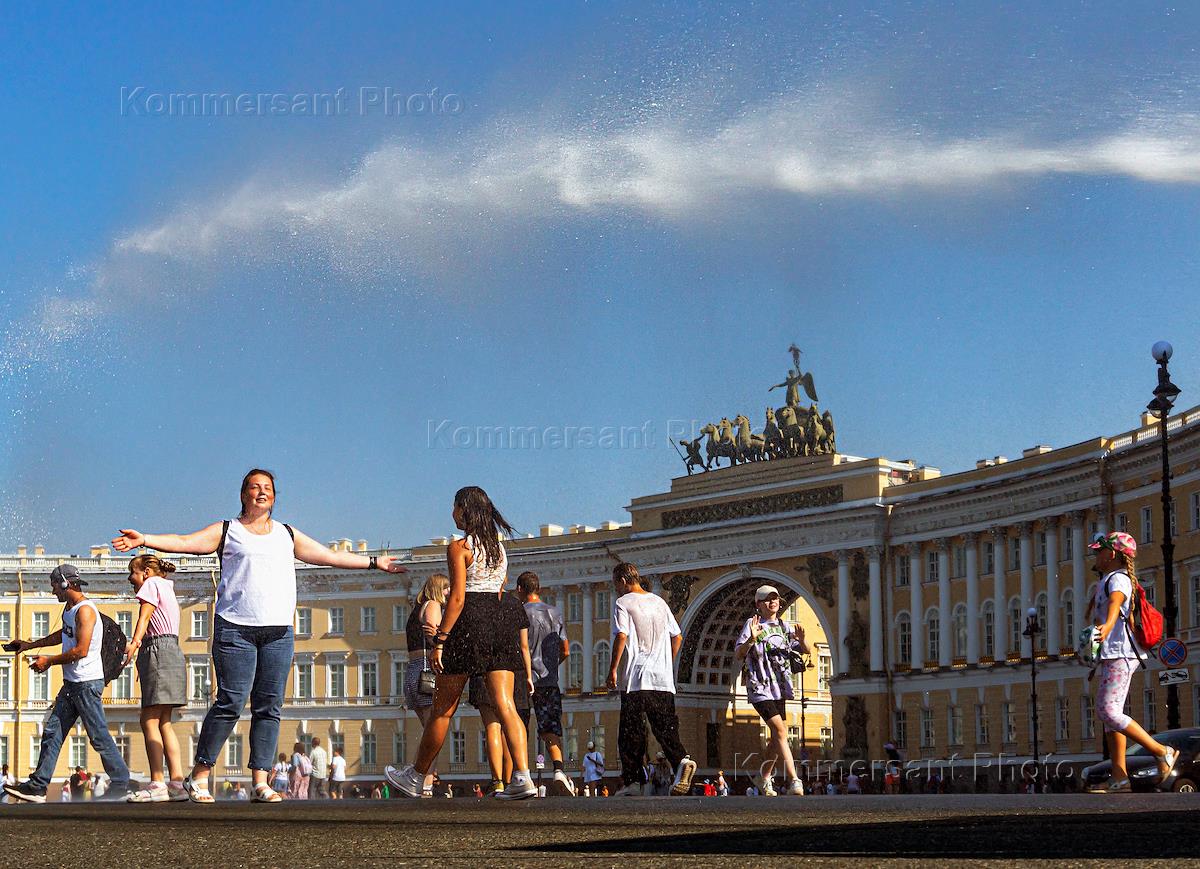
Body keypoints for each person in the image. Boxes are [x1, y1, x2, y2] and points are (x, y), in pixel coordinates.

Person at [111, 468, 405, 803]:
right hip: (235, 628)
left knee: (269, 706)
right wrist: (145, 539)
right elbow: (185, 542)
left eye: (267, 488)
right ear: (243, 495)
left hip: (278, 631)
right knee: (230, 702)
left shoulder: (287, 534)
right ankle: (201, 774)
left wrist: (374, 562)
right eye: (254, 487)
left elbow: (331, 556)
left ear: (274, 497)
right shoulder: (228, 531)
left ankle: (261, 781)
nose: (261, 492)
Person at [387, 487, 536, 800]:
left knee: (442, 709)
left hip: (470, 622)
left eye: (454, 507)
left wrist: (441, 640)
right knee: (505, 704)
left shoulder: (459, 547)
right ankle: (522, 776)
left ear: (464, 510)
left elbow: (456, 598)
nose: (452, 513)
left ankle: (415, 776)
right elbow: (500, 588)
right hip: (501, 620)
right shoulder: (499, 549)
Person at [4, 565, 130, 803]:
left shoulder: (85, 611)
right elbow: (63, 635)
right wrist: (29, 645)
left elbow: (81, 650)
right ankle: (39, 786)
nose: (53, 591)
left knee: (97, 735)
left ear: (65, 583)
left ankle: (121, 782)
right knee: (53, 732)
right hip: (73, 684)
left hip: (86, 683)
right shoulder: (70, 609)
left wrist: (50, 661)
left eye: (54, 585)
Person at [1086, 531, 1178, 793]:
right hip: (1111, 653)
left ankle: (1162, 751)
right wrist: (1093, 647)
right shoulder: (1106, 579)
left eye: (1098, 551)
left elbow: (1117, 603)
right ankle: (1120, 778)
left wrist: (1106, 626)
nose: (1095, 555)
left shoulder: (1119, 579)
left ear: (1111, 554)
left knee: (1108, 712)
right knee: (1109, 717)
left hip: (1122, 653)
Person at [606, 562, 696, 798]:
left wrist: (613, 669)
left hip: (636, 679)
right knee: (666, 728)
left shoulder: (623, 603)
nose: (616, 589)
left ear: (624, 581)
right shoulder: (659, 602)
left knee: (630, 732)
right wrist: (665, 662)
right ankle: (681, 761)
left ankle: (633, 782)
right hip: (662, 679)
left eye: (616, 584)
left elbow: (622, 636)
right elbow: (677, 637)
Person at [123, 554, 189, 803]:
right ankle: (177, 783)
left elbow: (144, 616)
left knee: (148, 720)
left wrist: (135, 643)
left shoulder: (151, 585)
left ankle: (157, 783)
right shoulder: (167, 587)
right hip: (171, 649)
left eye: (133, 572)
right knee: (164, 722)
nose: (131, 578)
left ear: (147, 572)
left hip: (157, 649)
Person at [733, 585, 809, 797]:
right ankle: (795, 780)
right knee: (782, 731)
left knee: (777, 736)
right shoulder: (752, 624)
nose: (772, 602)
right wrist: (751, 639)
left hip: (779, 687)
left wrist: (802, 641)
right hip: (759, 687)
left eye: (775, 598)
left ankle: (763, 777)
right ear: (758, 604)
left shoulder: (785, 626)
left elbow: (806, 650)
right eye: (767, 599)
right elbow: (739, 653)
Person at [516, 571, 577, 796]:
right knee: (550, 728)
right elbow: (567, 650)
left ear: (521, 589)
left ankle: (521, 776)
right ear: (538, 589)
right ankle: (559, 771)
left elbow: (518, 646)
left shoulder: (519, 612)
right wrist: (552, 667)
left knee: (519, 727)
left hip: (523, 679)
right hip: (548, 680)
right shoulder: (555, 612)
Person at [469, 588, 533, 796]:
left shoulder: (477, 600)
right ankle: (518, 775)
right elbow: (524, 646)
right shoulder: (514, 603)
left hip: (482, 669)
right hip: (509, 669)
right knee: (510, 719)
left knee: (492, 727)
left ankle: (497, 782)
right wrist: (529, 675)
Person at [404, 573, 449, 797]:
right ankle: (423, 781)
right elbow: (435, 636)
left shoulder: (415, 610)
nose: (449, 593)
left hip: (414, 671)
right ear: (438, 589)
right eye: (446, 588)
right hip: (427, 672)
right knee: (434, 733)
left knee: (430, 731)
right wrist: (443, 639)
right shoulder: (432, 605)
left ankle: (422, 779)